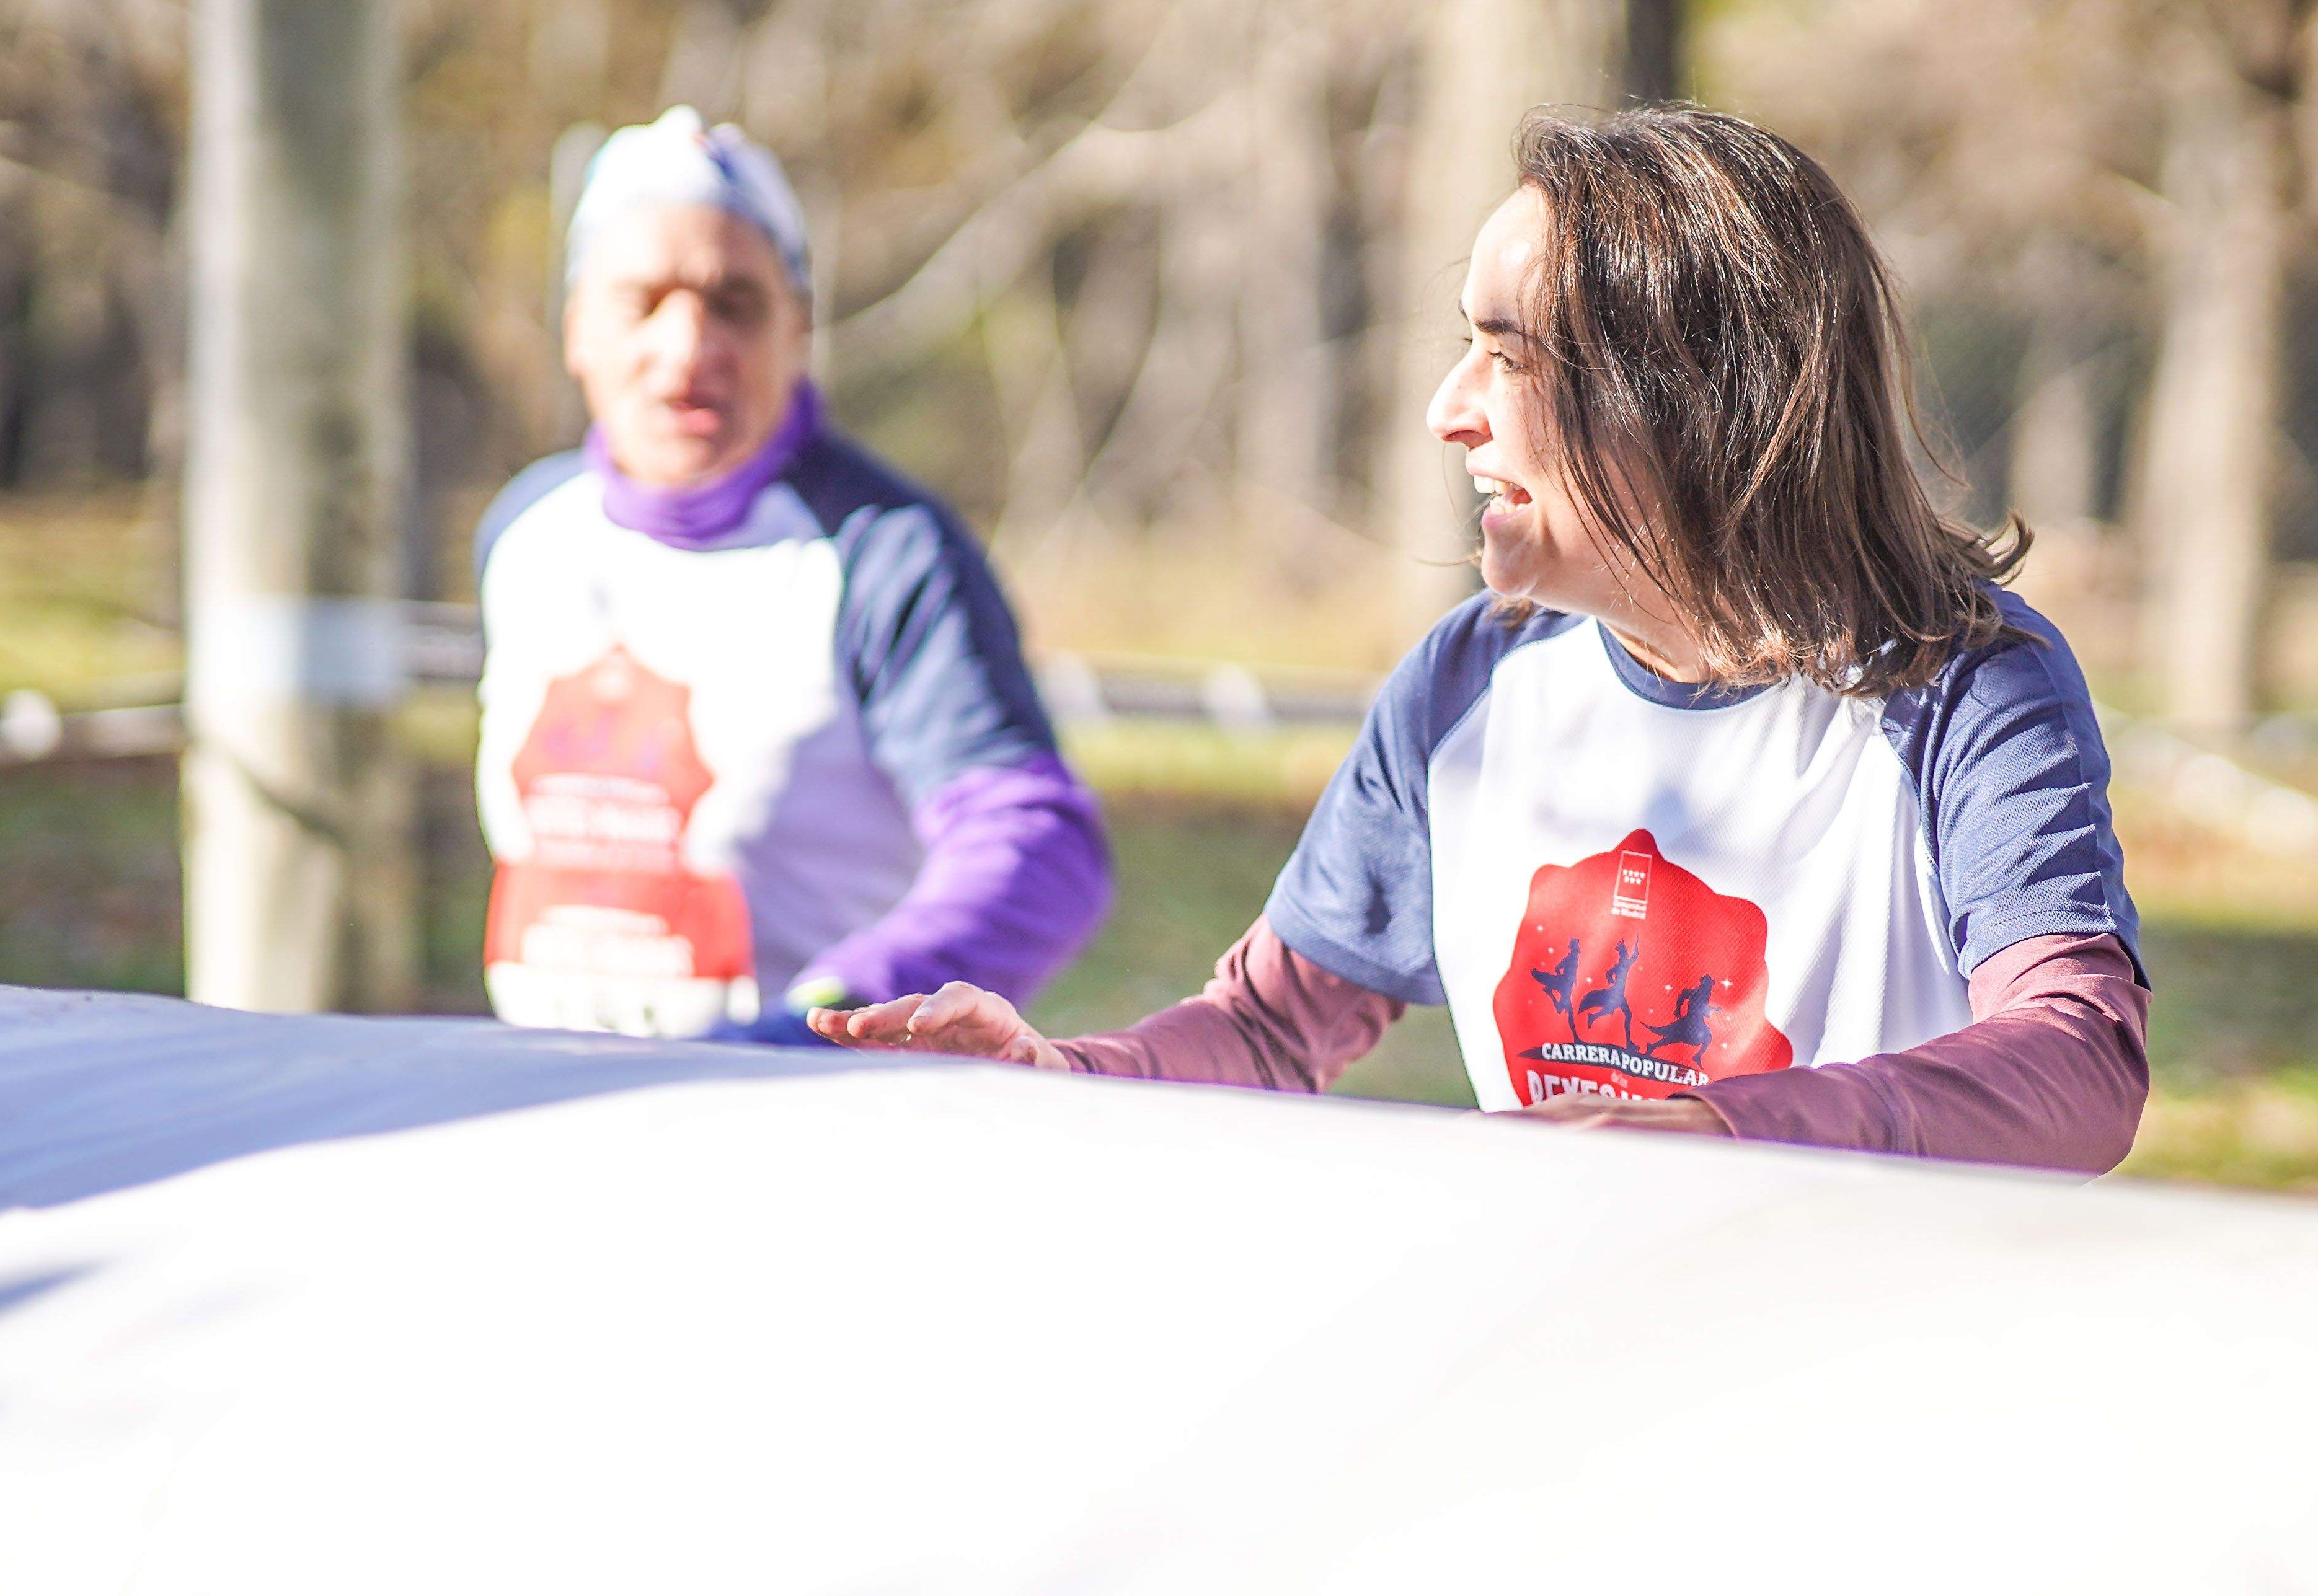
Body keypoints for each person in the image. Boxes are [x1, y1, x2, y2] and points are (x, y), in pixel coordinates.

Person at [816, 107, 2148, 1168]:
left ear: (1686, 395)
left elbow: (2081, 1061)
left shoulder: (1966, 684)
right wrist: (1062, 1080)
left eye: (1510, 356)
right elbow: (1272, 1031)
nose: (1450, 410)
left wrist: (1722, 1133)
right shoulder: (1470, 676)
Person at [471, 108, 1110, 1041]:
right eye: (642, 301)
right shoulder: (525, 535)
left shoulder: (883, 551)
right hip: (551, 1114)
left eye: (735, 304)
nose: (688, 349)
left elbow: (1040, 849)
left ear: (798, 328)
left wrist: (839, 1011)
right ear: (578, 330)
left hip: (802, 1119)